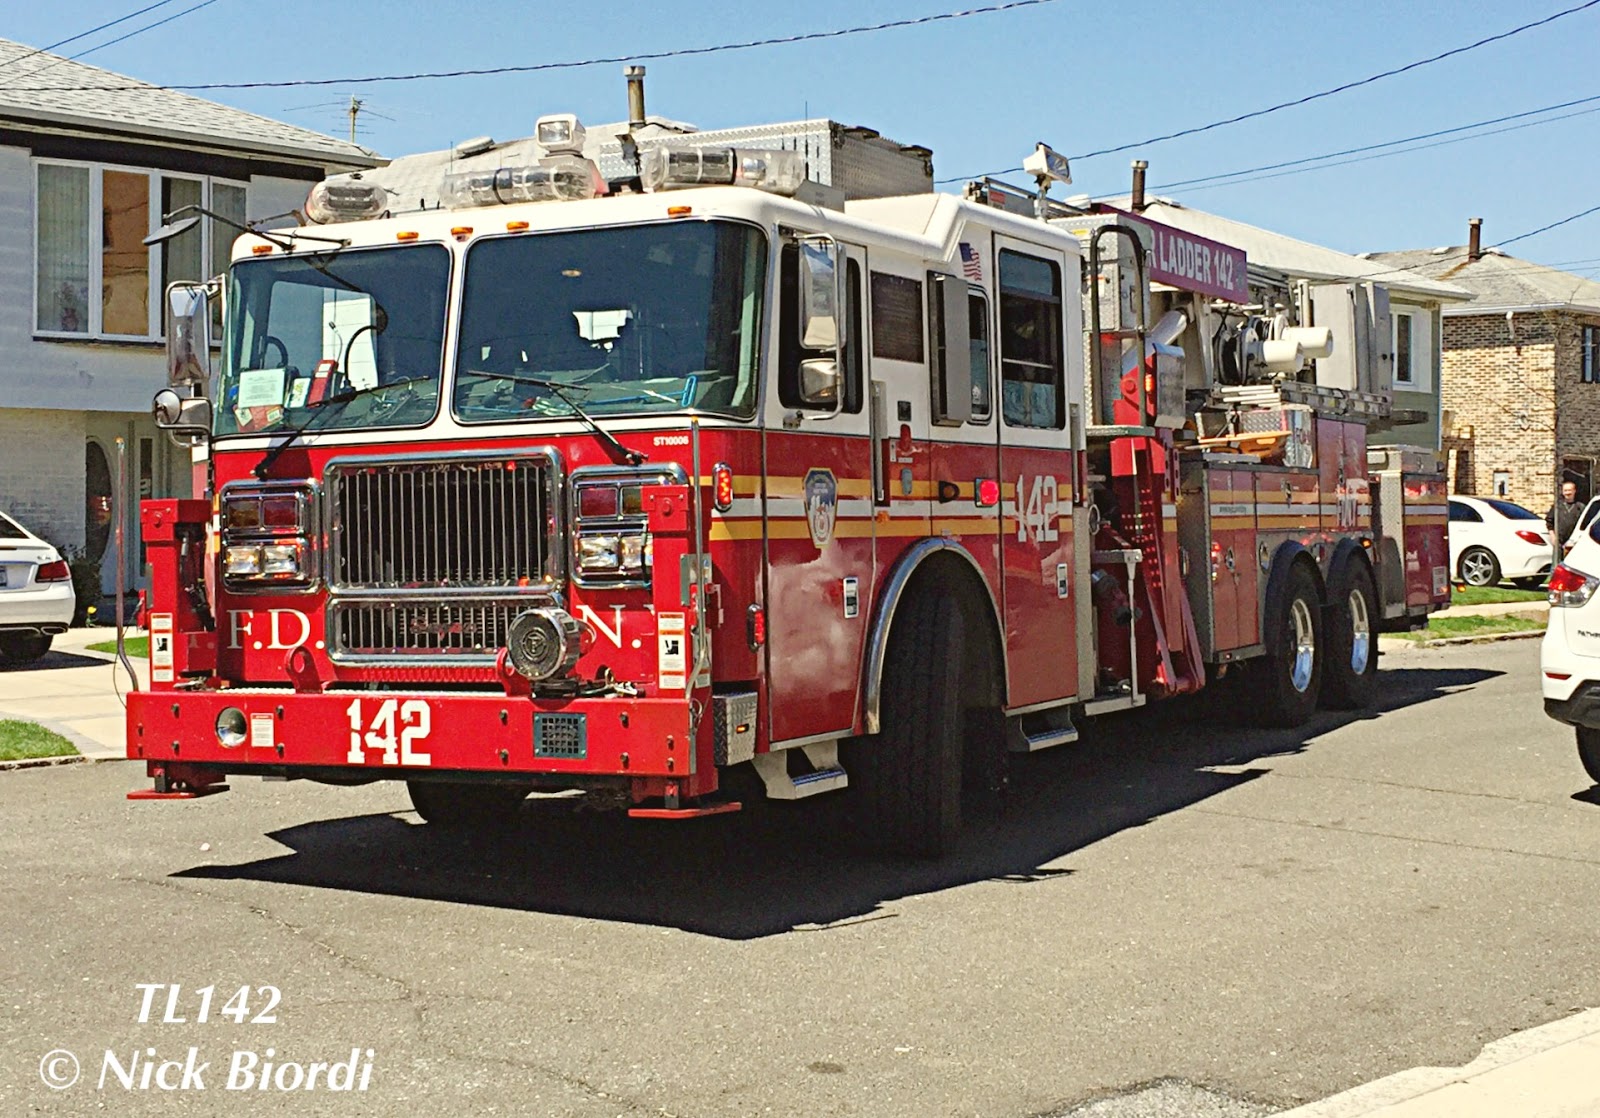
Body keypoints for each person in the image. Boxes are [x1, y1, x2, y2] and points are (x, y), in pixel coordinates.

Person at [1547, 480, 1583, 545]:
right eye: (1565, 490)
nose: (1567, 493)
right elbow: (1549, 522)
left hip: (1575, 542)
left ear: (1574, 491)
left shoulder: (1580, 507)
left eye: (1569, 490)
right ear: (1562, 492)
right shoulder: (1557, 507)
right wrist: (1553, 536)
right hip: (1559, 542)